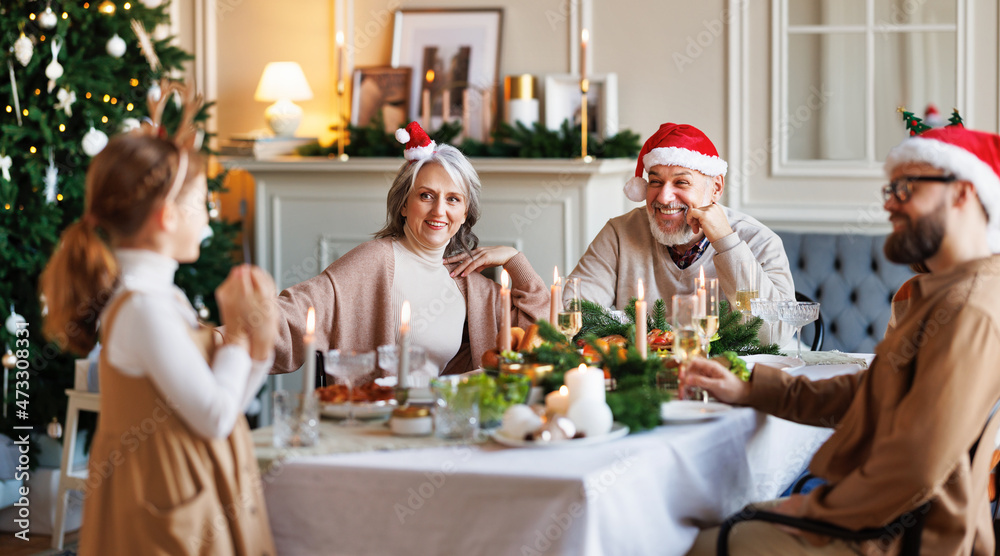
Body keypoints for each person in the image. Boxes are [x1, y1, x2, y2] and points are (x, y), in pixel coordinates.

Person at [684, 124, 1000, 555]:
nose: (889, 203)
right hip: (879, 519)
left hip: (895, 538)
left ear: (963, 193)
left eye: (906, 189)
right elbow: (875, 392)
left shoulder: (969, 309)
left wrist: (817, 509)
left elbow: (918, 469)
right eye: (890, 189)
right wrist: (751, 388)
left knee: (684, 542)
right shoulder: (946, 290)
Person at [40, 84, 277, 555]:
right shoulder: (143, 309)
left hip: (192, 486)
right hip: (161, 508)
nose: (209, 223)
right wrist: (232, 337)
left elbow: (225, 411)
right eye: (201, 206)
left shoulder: (164, 298)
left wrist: (258, 347)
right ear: (167, 216)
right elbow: (211, 416)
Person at [270, 121, 549, 375]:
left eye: (453, 199)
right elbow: (299, 309)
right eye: (426, 195)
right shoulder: (375, 260)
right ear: (404, 204)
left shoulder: (469, 287)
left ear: (465, 213)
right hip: (378, 421)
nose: (439, 210)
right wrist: (229, 337)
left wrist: (514, 260)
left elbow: (543, 338)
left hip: (446, 425)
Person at [567, 123, 795, 345]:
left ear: (715, 188)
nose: (664, 197)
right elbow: (569, 312)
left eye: (681, 182)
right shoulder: (619, 234)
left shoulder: (760, 241)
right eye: (655, 181)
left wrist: (726, 243)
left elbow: (773, 336)